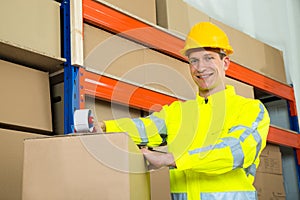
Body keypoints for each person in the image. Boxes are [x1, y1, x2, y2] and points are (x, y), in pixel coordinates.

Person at [99, 21, 270, 200]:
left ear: (225, 62)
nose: (200, 68)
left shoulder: (250, 109)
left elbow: (236, 150)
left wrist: (172, 159)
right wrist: (104, 127)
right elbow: (144, 128)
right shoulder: (178, 112)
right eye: (193, 61)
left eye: (208, 58)